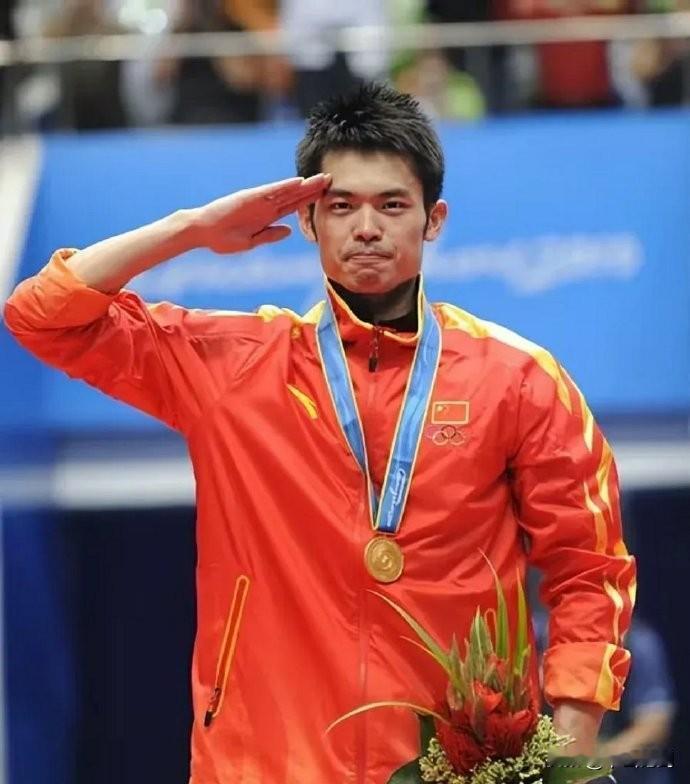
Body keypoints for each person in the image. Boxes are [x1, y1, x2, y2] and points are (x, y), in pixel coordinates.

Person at [4, 84, 636, 782]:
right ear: (307, 220)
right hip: (261, 762)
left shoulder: (518, 379)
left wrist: (568, 744)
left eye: (392, 205)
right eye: (341, 206)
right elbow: (41, 316)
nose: (366, 227)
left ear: (434, 219)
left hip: (453, 768)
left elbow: (590, 569)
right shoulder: (232, 366)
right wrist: (191, 228)